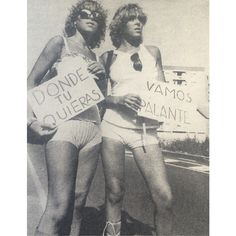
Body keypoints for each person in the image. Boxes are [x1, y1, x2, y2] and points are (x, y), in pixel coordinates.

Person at [27, 1, 107, 235]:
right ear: (75, 19)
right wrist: (30, 121)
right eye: (85, 14)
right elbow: (30, 82)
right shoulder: (59, 43)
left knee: (79, 202)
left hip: (92, 128)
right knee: (59, 206)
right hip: (65, 126)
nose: (91, 17)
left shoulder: (95, 56)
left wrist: (102, 78)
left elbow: (100, 98)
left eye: (95, 15)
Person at [100, 4, 173, 236]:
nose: (138, 23)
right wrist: (118, 100)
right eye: (132, 19)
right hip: (113, 128)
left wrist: (164, 109)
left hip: (145, 130)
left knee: (164, 196)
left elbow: (163, 90)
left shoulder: (153, 52)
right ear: (120, 25)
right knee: (114, 192)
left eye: (140, 19)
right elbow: (99, 98)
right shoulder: (107, 57)